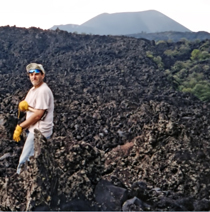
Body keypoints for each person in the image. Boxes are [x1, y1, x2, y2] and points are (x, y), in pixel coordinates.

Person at [13, 63, 54, 174]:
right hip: (33, 130)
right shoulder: (33, 89)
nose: (33, 76)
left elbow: (38, 115)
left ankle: (20, 184)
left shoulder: (43, 91)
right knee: (34, 160)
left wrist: (21, 126)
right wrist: (24, 107)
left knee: (24, 161)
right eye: (31, 74)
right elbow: (31, 109)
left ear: (43, 75)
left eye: (36, 74)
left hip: (39, 132)